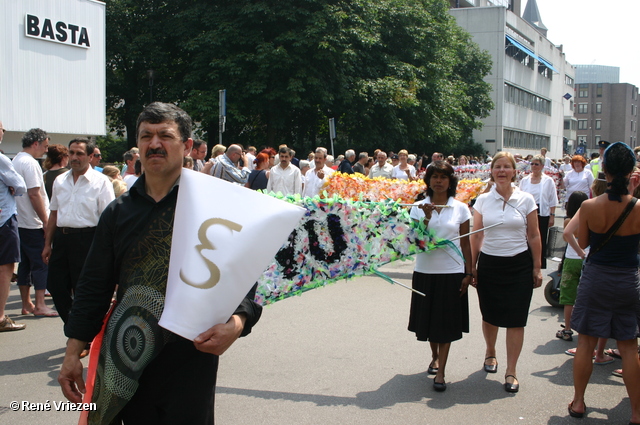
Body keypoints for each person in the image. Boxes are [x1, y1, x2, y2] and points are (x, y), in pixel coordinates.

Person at [58, 102, 262, 424]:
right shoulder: (118, 212)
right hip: (128, 355)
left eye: (165, 136)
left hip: (192, 356)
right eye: (146, 136)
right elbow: (93, 286)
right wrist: (73, 353)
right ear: (137, 145)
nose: (154, 144)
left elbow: (244, 281)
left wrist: (237, 324)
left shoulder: (216, 206)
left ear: (188, 146)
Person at [567, 142, 640, 422]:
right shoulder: (638, 207)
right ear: (631, 170)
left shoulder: (588, 206)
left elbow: (583, 244)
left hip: (596, 277)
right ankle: (636, 412)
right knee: (629, 346)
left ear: (604, 170)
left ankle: (579, 402)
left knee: (585, 342)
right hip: (627, 280)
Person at [470, 151, 542, 393]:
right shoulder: (482, 200)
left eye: (506, 167)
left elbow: (534, 234)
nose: (501, 171)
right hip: (490, 264)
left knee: (516, 319)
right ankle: (490, 352)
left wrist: (536, 267)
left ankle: (511, 370)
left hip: (519, 265)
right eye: (497, 166)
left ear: (514, 171)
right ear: (491, 171)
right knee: (489, 314)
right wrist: (472, 266)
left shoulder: (526, 199)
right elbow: (477, 235)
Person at [408, 161, 472, 392]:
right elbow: (416, 242)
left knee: (445, 324)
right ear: (428, 181)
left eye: (443, 177)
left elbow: (466, 243)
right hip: (425, 271)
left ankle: (442, 371)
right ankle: (434, 355)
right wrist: (425, 218)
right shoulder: (417, 206)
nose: (438, 181)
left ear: (450, 181)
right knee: (429, 323)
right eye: (434, 176)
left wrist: (469, 272)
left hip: (452, 273)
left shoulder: (461, 208)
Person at [42, 138, 115, 324]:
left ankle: (81, 336)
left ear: (90, 156)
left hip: (89, 240)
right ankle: (73, 326)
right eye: (71, 153)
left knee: (83, 290)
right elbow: (54, 214)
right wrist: (47, 244)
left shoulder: (101, 182)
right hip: (62, 239)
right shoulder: (60, 180)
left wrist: (106, 251)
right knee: (56, 286)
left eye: (80, 153)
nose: (74, 157)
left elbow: (109, 220)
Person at [12, 128, 57, 317]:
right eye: (45, 146)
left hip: (19, 220)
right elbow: (34, 193)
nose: (46, 151)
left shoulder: (15, 160)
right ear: (36, 143)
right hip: (32, 221)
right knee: (41, 261)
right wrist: (46, 221)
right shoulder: (30, 163)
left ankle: (26, 303)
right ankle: (39, 304)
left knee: (25, 264)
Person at [0, 119, 28, 331]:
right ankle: (0, 316)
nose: (3, 132)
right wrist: (12, 190)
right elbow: (20, 186)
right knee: (6, 267)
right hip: (4, 219)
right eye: (1, 129)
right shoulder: (2, 159)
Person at [519, 154, 558, 269]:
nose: (534, 166)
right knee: (526, 237)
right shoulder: (525, 180)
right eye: (532, 164)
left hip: (542, 213)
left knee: (540, 237)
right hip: (527, 213)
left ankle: (539, 263)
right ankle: (527, 262)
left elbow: (552, 199)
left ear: (542, 166)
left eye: (536, 164)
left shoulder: (548, 181)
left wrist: (552, 215)